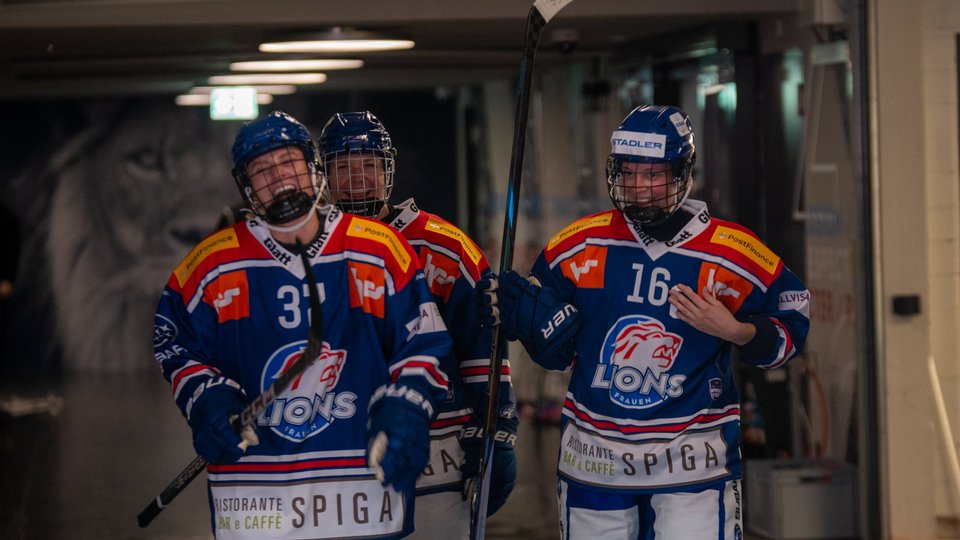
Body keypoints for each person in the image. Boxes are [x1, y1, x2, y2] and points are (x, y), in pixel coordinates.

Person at [492, 105, 810, 539]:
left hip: (694, 464)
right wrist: (522, 325)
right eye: (629, 173)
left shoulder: (731, 251)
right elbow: (548, 342)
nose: (639, 188)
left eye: (653, 175)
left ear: (682, 172)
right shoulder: (578, 244)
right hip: (595, 461)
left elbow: (793, 313)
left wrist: (737, 331)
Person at [153, 111, 452, 539]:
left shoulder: (379, 248)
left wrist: (408, 403)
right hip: (257, 497)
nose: (278, 178)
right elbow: (172, 340)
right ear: (246, 186)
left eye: (288, 163)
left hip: (360, 490)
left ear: (313, 169)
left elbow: (424, 340)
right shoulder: (212, 263)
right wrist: (206, 400)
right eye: (262, 170)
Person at [317, 111, 517, 539]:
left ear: (388, 170)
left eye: (368, 165)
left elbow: (483, 346)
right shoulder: (307, 253)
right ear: (324, 175)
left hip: (436, 444)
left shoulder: (444, 246)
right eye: (343, 167)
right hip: (339, 444)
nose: (357, 179)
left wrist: (496, 426)